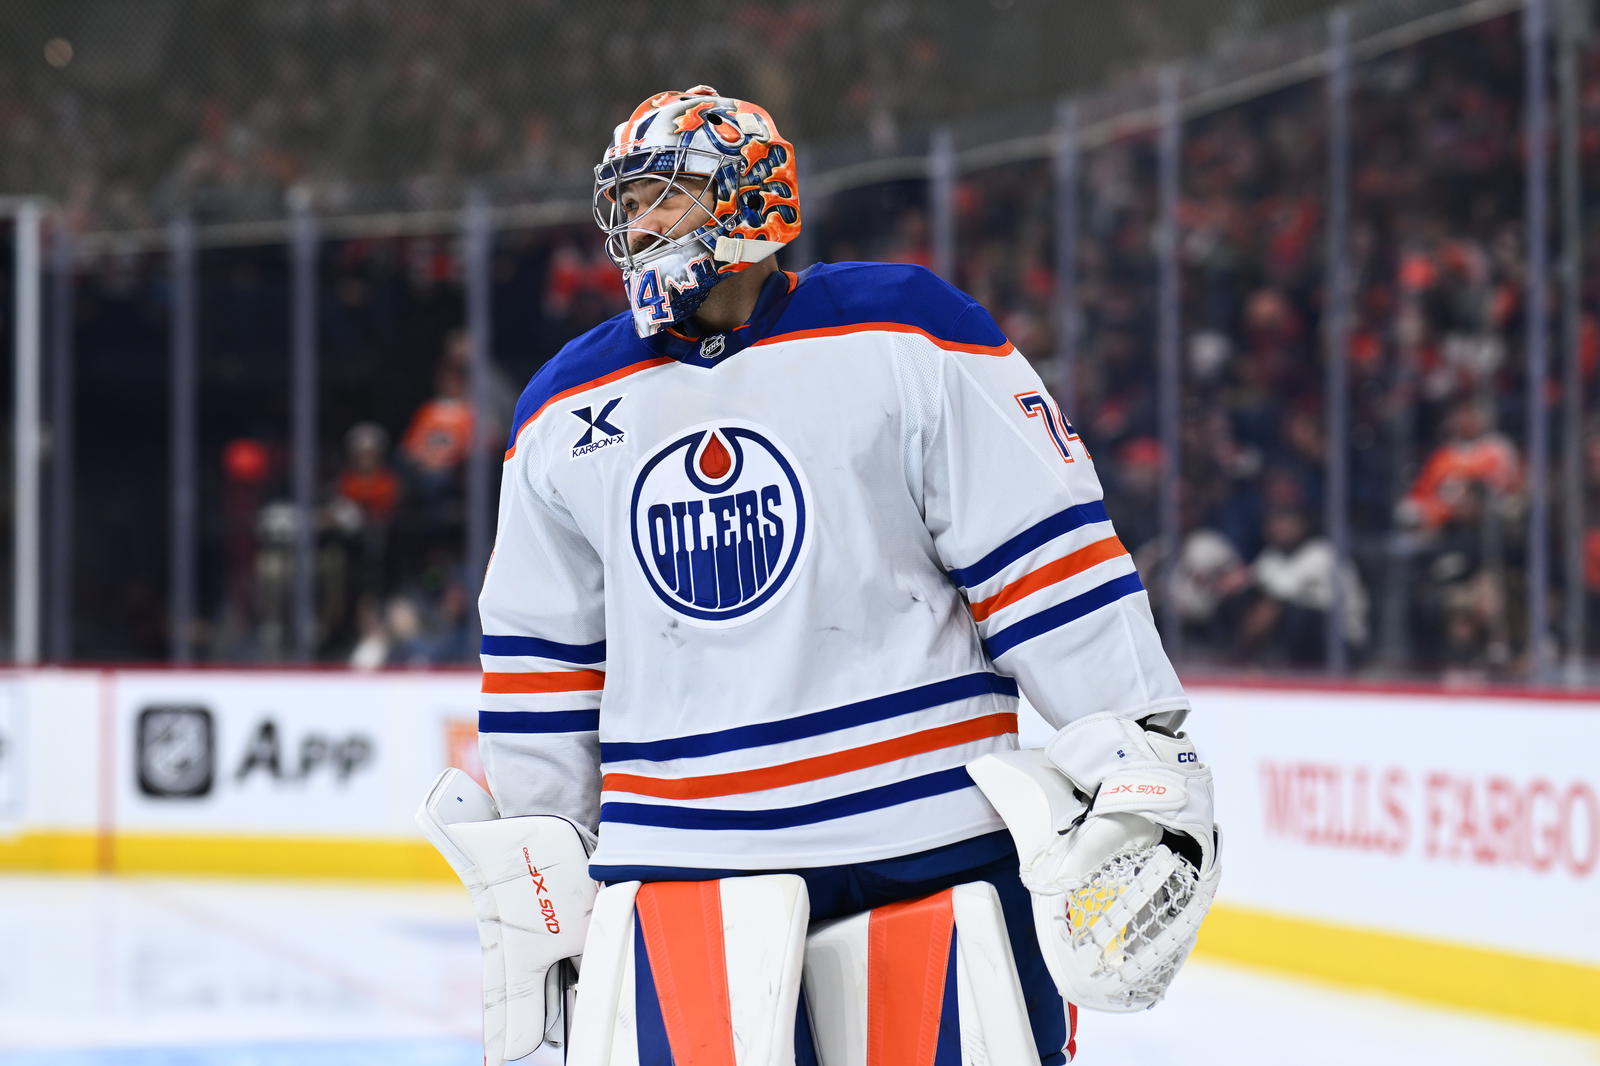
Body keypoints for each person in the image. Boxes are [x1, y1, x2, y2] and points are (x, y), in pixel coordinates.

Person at [473, 86, 1215, 1063]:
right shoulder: (564, 407)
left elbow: (1043, 559)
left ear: (751, 195)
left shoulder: (907, 330)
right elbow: (541, 655)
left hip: (930, 844)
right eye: (629, 203)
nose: (640, 225)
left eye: (668, 195)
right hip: (681, 867)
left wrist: (1134, 742)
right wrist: (545, 855)